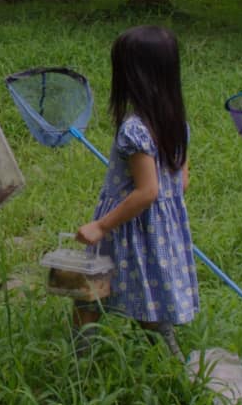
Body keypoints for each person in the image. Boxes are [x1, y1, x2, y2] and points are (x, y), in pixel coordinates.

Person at [73, 26, 199, 357]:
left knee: (88, 290)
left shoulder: (134, 129)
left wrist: (101, 226)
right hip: (157, 231)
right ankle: (172, 360)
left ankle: (78, 363)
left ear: (133, 76)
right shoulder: (177, 123)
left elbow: (147, 192)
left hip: (124, 228)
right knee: (149, 299)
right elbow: (181, 182)